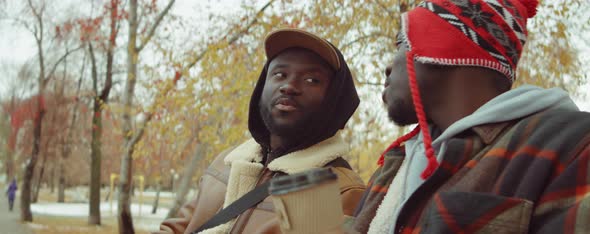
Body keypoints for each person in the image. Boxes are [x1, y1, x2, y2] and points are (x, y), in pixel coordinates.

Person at [349, 0, 590, 233]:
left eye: (402, 42)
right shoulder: (396, 161)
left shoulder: (572, 147)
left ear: (439, 46)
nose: (388, 67)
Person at [156, 29, 366, 234]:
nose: (289, 86)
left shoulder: (341, 191)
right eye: (279, 74)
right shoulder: (229, 161)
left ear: (335, 100)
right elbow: (180, 226)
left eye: (312, 80)